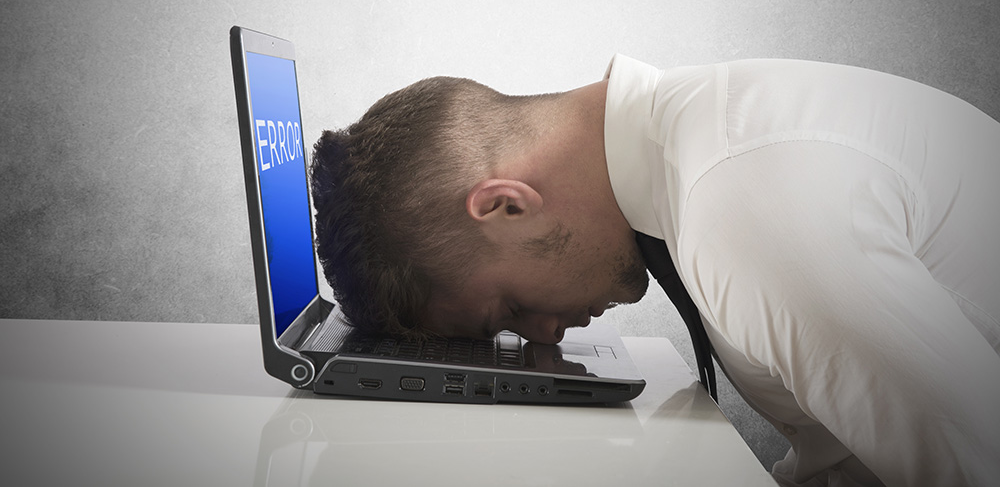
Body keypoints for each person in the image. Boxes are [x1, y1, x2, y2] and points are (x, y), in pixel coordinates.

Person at [309, 54, 1000, 486]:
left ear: (505, 206)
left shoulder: (739, 204)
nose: (547, 335)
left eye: (510, 311)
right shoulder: (697, 147)